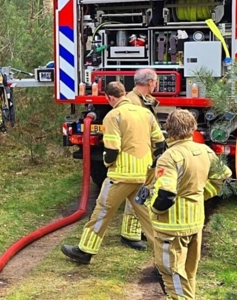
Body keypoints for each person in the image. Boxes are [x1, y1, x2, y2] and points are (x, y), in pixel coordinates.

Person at [148, 110, 231, 300]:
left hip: (171, 226)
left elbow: (165, 195)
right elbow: (224, 174)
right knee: (188, 270)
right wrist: (203, 194)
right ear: (193, 128)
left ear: (169, 130)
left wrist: (152, 209)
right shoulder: (204, 150)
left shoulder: (170, 157)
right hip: (195, 221)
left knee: (171, 271)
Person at [62, 81, 164, 264]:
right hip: (144, 175)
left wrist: (107, 162)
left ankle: (85, 250)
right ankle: (165, 257)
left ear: (109, 98)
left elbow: (112, 150)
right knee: (147, 216)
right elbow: (160, 142)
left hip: (121, 176)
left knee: (103, 210)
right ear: (124, 93)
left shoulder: (113, 116)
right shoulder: (146, 113)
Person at [119, 69, 165, 251]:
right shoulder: (132, 101)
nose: (156, 84)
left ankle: (139, 231)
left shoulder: (140, 99)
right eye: (155, 81)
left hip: (144, 153)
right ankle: (129, 234)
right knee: (138, 193)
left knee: (145, 192)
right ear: (149, 82)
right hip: (136, 155)